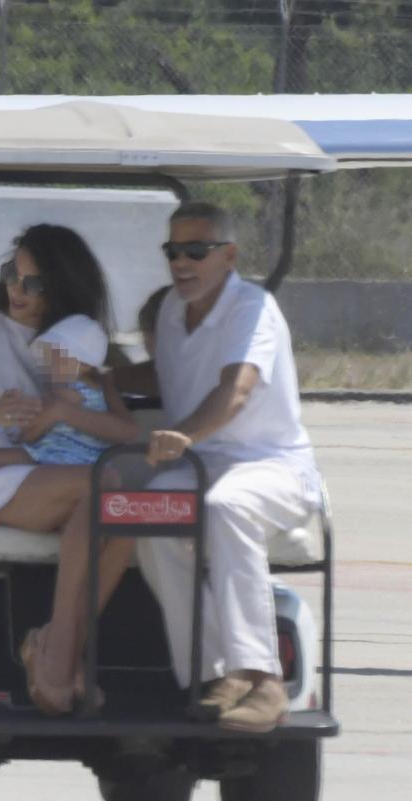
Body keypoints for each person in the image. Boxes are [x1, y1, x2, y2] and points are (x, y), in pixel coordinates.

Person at [115, 201, 321, 733]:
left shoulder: (251, 307)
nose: (181, 262)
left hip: (270, 465)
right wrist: (99, 380)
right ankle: (212, 675)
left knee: (225, 506)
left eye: (195, 250)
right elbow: (165, 378)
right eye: (173, 251)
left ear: (228, 255)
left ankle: (263, 678)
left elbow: (237, 388)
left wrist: (184, 435)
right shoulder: (169, 313)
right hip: (203, 461)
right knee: (153, 517)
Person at [0, 225, 136, 715]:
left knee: (123, 517)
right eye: (11, 276)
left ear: (60, 287)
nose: (17, 291)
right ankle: (63, 654)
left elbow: (120, 419)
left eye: (33, 283)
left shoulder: (78, 347)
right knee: (104, 488)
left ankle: (57, 645)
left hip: (51, 479)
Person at [0, 313, 132, 518]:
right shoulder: (103, 388)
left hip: (56, 455)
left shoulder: (59, 395)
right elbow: (127, 431)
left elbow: (29, 435)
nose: (49, 367)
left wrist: (12, 418)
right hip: (91, 459)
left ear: (85, 364)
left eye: (57, 359)